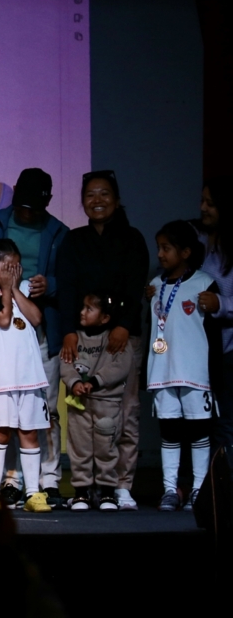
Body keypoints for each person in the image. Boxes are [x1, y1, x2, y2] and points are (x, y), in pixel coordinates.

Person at [0, 168, 68, 509]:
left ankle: (43, 484)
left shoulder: (57, 232)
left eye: (34, 207)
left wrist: (46, 284)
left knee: (39, 419)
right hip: (2, 369)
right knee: (3, 428)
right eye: (21, 206)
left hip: (35, 355)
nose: (27, 214)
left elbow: (45, 307)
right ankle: (6, 484)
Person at [58, 170, 149, 511]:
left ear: (117, 198)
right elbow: (66, 288)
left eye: (104, 194)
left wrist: (124, 325)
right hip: (81, 339)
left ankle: (121, 485)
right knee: (84, 416)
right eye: (90, 195)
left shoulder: (132, 238)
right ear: (82, 201)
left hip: (122, 338)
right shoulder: (74, 240)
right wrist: (68, 329)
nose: (97, 201)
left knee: (125, 414)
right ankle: (86, 487)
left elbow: (135, 284)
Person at [146, 221, 220, 511]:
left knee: (199, 433)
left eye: (167, 248)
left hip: (195, 373)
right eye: (159, 248)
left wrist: (214, 376)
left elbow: (213, 334)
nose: (161, 254)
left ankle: (199, 490)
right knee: (169, 431)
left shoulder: (204, 284)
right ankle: (169, 489)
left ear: (186, 252)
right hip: (162, 372)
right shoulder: (154, 286)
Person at [0, 237, 52, 513]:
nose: (11, 272)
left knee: (29, 432)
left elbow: (35, 318)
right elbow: (4, 319)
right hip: (2, 380)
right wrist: (6, 288)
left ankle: (33, 492)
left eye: (16, 267)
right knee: (0, 433)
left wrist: (15, 288)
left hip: (30, 378)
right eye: (6, 267)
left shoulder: (20, 291)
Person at [60, 290, 133, 511]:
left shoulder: (116, 339)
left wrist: (96, 381)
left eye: (89, 309)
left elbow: (121, 366)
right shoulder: (75, 338)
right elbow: (66, 363)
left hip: (107, 405)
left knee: (106, 449)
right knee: (80, 449)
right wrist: (74, 382)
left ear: (105, 317)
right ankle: (82, 492)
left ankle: (107, 493)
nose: (82, 312)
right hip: (80, 406)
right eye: (82, 307)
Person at [195, 176, 232, 450]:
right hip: (202, 351)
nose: (203, 208)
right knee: (205, 424)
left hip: (228, 353)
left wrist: (221, 304)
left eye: (211, 203)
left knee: (226, 425)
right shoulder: (202, 243)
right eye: (202, 201)